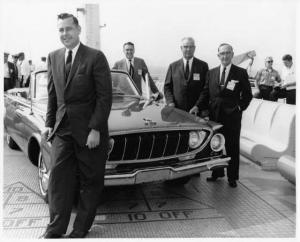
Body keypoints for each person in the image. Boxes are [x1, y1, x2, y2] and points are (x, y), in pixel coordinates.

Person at [40, 13, 112, 238]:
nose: (64, 34)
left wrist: (96, 129)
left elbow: (104, 97)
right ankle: (55, 228)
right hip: (63, 131)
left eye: (68, 29)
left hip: (89, 132)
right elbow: (53, 95)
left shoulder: (95, 57)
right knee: (58, 181)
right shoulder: (53, 57)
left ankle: (81, 228)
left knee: (90, 181)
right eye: (60, 30)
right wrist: (49, 123)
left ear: (78, 29)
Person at [196, 43, 252, 188]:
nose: (225, 56)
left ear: (232, 54)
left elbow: (248, 95)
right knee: (216, 146)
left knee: (232, 146)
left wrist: (239, 107)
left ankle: (232, 177)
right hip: (215, 116)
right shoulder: (211, 72)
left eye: (228, 53)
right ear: (218, 55)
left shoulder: (240, 73)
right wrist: (197, 106)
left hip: (233, 117)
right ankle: (217, 173)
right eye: (222, 53)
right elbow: (205, 93)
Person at [164, 37, 209, 116]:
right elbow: (167, 87)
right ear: (181, 48)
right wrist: (170, 102)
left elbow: (206, 89)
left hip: (196, 112)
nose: (188, 49)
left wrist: (197, 106)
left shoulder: (203, 66)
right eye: (185, 47)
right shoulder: (173, 66)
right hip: (177, 111)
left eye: (191, 47)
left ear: (194, 48)